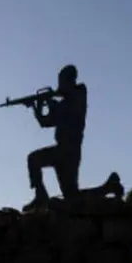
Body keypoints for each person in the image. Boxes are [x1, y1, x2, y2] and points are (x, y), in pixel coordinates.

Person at [24, 65, 87, 212]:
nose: (59, 86)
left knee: (33, 159)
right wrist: (36, 106)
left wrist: (51, 103)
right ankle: (108, 187)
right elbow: (45, 122)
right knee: (71, 195)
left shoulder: (79, 94)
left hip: (68, 151)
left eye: (61, 82)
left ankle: (41, 196)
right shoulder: (65, 103)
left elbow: (63, 110)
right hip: (64, 151)